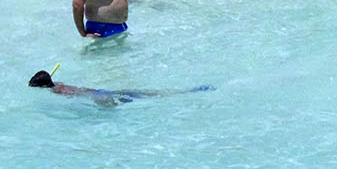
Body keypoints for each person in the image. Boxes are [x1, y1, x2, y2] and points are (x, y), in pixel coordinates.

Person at [28, 69, 211, 106]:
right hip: (101, 92)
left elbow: (77, 99)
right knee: (147, 95)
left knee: (146, 99)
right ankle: (189, 91)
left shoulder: (58, 91)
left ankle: (190, 93)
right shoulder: (59, 83)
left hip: (101, 98)